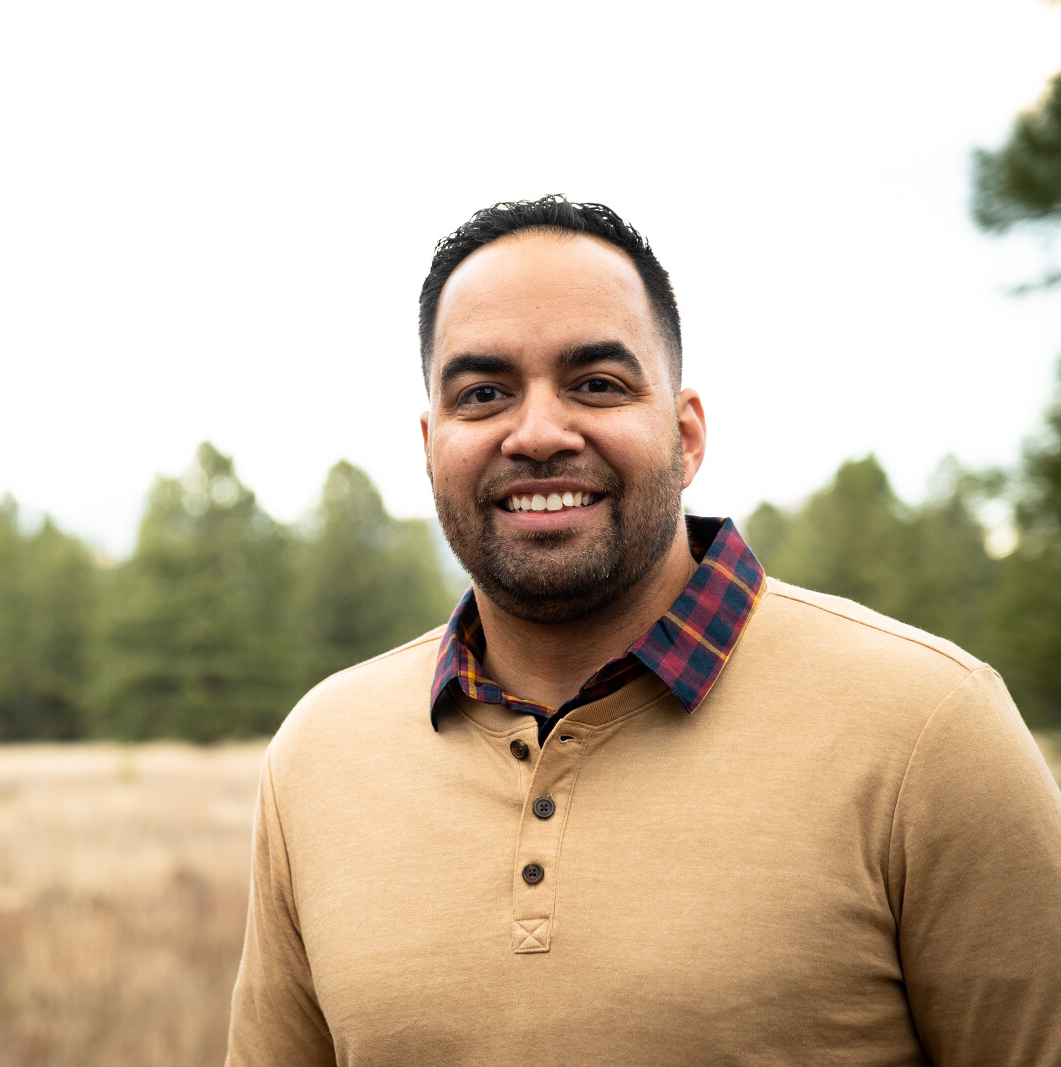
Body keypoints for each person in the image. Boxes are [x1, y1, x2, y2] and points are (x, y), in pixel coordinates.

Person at [225, 197, 1061, 1066]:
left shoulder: (930, 732)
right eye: (484, 394)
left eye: (596, 384)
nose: (537, 434)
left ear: (686, 435)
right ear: (431, 444)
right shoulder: (318, 758)